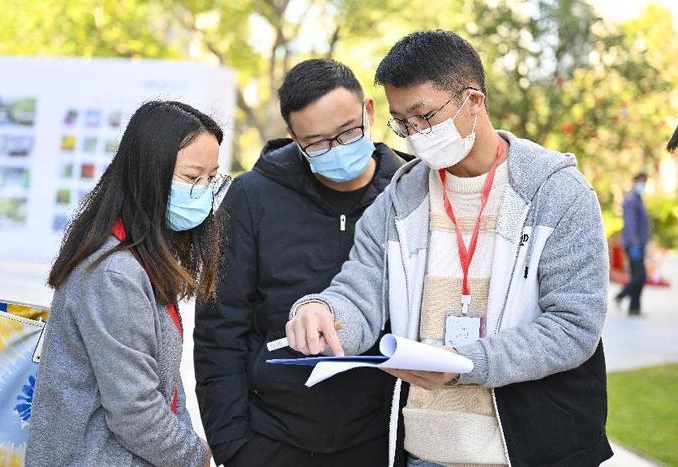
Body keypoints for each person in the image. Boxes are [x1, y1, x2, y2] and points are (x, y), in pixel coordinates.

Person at [287, 30, 612, 467]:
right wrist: (322, 312)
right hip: (427, 452)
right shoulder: (400, 199)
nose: (414, 135)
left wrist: (466, 362)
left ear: (473, 101)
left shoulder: (556, 193)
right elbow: (358, 292)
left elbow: (573, 328)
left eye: (424, 116)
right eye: (402, 122)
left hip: (535, 449)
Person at [194, 59, 407, 467]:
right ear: (293, 136)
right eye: (318, 143)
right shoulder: (251, 199)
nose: (337, 150)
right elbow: (219, 330)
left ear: (369, 111)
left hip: (379, 438)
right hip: (271, 439)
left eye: (347, 132)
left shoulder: (409, 192)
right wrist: (233, 446)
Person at [26, 101, 230, 466]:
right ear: (147, 174)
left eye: (211, 179)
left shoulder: (136, 259)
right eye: (191, 178)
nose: (203, 192)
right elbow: (134, 410)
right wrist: (195, 455)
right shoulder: (114, 273)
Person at [616, 173, 650, 315]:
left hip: (639, 243)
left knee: (639, 276)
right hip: (633, 244)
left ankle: (634, 307)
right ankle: (621, 296)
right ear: (635, 182)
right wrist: (635, 244)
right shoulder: (631, 200)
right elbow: (630, 224)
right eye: (641, 181)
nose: (643, 185)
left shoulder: (638, 199)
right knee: (640, 276)